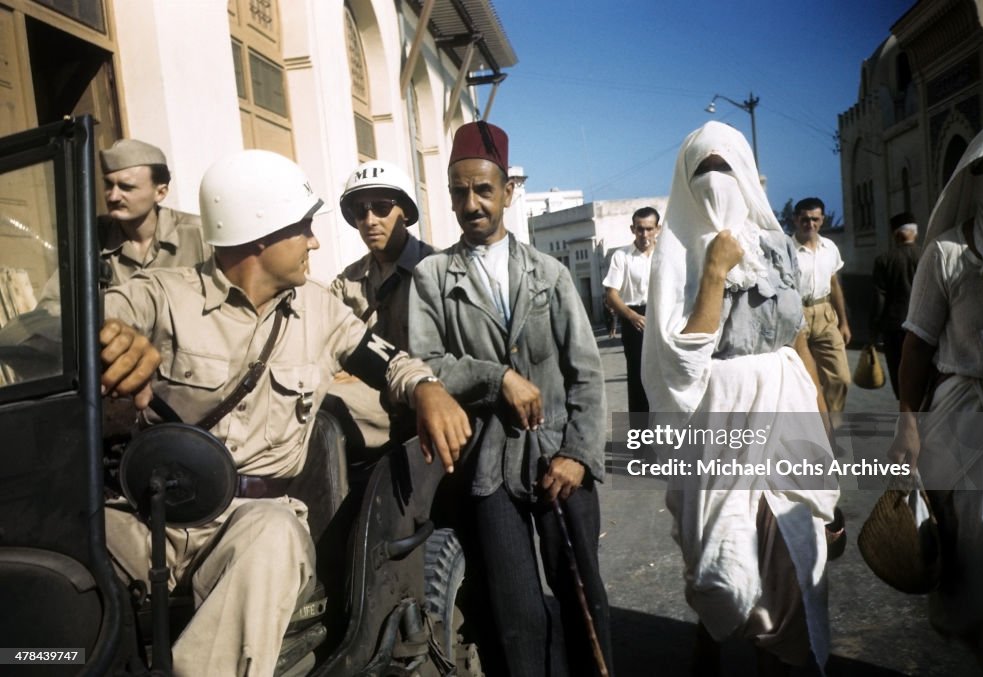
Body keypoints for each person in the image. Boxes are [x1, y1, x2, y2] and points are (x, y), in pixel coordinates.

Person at [99, 149, 471, 677]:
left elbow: (389, 362)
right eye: (304, 228)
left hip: (255, 522)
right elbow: (75, 331)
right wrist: (106, 343)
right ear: (260, 236)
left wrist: (427, 388)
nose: (316, 241)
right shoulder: (164, 295)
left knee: (272, 535)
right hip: (149, 514)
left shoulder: (318, 309)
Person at [408, 121, 612, 677]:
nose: (471, 204)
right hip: (489, 467)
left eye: (482, 190)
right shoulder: (431, 277)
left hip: (560, 462)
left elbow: (586, 374)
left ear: (507, 192)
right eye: (458, 192)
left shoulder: (548, 273)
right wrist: (496, 377)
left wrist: (577, 455)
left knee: (581, 598)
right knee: (516, 611)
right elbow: (425, 366)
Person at [643, 121, 839, 674]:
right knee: (723, 578)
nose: (715, 181)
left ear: (748, 175)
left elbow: (798, 343)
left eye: (725, 168)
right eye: (703, 170)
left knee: (794, 565)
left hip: (786, 416)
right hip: (719, 425)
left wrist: (823, 434)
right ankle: (715, 643)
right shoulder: (677, 255)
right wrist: (713, 271)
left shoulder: (778, 248)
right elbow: (680, 364)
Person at [890, 116, 983, 675]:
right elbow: (917, 345)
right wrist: (907, 420)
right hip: (964, 418)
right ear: (972, 179)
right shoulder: (945, 252)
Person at [326, 160, 435, 469]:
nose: (370, 220)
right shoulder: (347, 281)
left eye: (382, 207)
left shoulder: (436, 272)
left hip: (419, 402)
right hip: (368, 406)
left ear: (405, 212)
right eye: (361, 211)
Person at [99, 138, 211, 285]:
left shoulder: (200, 236)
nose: (113, 197)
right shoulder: (91, 238)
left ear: (160, 193)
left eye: (126, 187)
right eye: (108, 185)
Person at [791, 196, 851, 427]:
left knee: (841, 377)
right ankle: (811, 429)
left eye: (815, 219)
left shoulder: (830, 248)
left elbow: (835, 284)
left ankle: (832, 427)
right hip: (797, 315)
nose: (810, 224)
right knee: (801, 379)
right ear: (796, 220)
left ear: (822, 220)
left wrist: (844, 322)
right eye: (805, 219)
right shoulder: (787, 249)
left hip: (825, 313)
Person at [603, 206, 659, 414]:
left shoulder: (665, 255)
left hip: (661, 318)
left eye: (649, 229)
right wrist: (632, 316)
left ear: (657, 229)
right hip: (634, 319)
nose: (644, 234)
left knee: (664, 378)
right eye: (640, 229)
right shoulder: (621, 256)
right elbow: (611, 295)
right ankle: (640, 441)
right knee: (637, 380)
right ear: (632, 229)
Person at [871, 211, 920, 398]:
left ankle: (905, 413)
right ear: (915, 233)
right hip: (924, 325)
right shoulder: (926, 255)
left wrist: (873, 330)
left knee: (899, 373)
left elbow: (879, 298)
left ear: (896, 234)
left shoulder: (884, 260)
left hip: (895, 328)